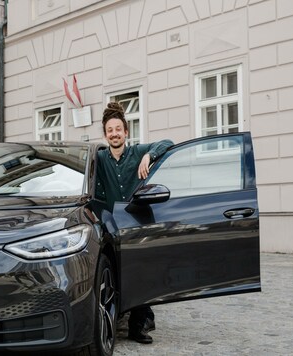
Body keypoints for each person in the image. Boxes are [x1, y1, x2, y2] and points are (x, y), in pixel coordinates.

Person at [95, 102, 173, 344]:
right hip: (110, 225)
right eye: (110, 130)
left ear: (126, 132)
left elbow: (168, 143)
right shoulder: (99, 159)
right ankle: (126, 313)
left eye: (119, 129)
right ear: (105, 134)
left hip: (135, 224)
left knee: (139, 272)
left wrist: (149, 155)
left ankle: (138, 325)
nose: (115, 133)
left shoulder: (138, 152)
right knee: (114, 274)